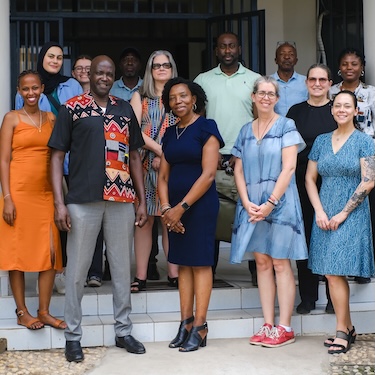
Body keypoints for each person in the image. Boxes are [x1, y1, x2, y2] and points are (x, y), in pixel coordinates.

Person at [48, 55, 147, 362]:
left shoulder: (124, 108)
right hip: (82, 199)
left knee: (120, 269)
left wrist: (142, 199)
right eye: (99, 72)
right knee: (77, 271)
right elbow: (55, 157)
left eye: (109, 73)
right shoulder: (72, 108)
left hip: (121, 200)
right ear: (88, 75)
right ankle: (73, 336)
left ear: (113, 76)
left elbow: (134, 156)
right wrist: (59, 202)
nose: (104, 77)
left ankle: (123, 331)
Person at [230, 76, 307, 348]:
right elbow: (237, 169)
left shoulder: (287, 126)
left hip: (281, 204)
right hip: (252, 205)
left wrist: (270, 203)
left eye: (270, 93)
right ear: (253, 97)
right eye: (261, 93)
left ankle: (284, 327)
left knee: (280, 263)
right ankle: (268, 323)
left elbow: (289, 168)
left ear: (277, 98)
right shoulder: (245, 130)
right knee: (261, 263)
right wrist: (246, 201)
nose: (265, 97)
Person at [305, 90, 375, 354]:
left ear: (356, 110)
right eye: (338, 106)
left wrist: (344, 213)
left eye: (348, 106)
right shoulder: (322, 141)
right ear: (332, 109)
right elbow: (310, 179)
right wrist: (320, 212)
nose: (342, 109)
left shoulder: (364, 141)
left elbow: (368, 180)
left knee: (335, 272)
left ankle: (342, 331)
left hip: (351, 213)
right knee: (331, 273)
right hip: (324, 212)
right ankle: (348, 327)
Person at [158, 77, 224, 352]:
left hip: (199, 207)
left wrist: (181, 208)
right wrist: (165, 209)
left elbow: (209, 174)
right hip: (173, 210)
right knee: (182, 263)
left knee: (200, 263)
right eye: (173, 98)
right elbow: (162, 176)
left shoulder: (206, 128)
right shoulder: (170, 134)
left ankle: (200, 324)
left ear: (194, 98)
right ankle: (185, 322)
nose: (178, 101)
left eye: (183, 96)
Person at [0, 70, 66, 331]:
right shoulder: (11, 119)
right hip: (17, 193)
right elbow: (4, 160)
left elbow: (58, 157)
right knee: (17, 254)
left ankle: (44, 310)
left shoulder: (51, 117)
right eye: (25, 89)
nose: (30, 93)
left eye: (35, 88)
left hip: (45, 193)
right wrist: (7, 198)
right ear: (19, 90)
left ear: (41, 90)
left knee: (49, 253)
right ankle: (22, 311)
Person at [16, 42, 83, 295]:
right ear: (42, 58)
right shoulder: (29, 86)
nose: (54, 60)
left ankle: (64, 271)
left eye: (58, 57)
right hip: (42, 164)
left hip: (71, 161)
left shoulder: (72, 85)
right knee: (47, 220)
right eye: (50, 56)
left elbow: (80, 119)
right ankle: (47, 268)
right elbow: (22, 122)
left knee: (69, 218)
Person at [194, 31, 260, 285]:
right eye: (223, 46)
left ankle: (256, 270)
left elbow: (259, 120)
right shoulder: (203, 80)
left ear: (239, 49)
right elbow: (198, 119)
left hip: (246, 158)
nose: (228, 50)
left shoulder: (254, 80)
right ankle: (208, 271)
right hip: (214, 157)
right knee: (212, 213)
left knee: (251, 212)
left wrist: (243, 152)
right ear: (216, 51)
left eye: (232, 46)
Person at [287, 64, 337, 315]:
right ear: (306, 82)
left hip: (332, 182)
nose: (317, 84)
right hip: (300, 181)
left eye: (322, 80)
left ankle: (332, 297)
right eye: (313, 79)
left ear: (329, 83)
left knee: (329, 238)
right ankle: (307, 297)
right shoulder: (295, 112)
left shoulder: (337, 110)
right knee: (305, 237)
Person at [129, 50, 179, 292]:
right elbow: (135, 133)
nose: (161, 69)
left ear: (172, 68)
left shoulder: (180, 96)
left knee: (171, 220)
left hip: (174, 169)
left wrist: (169, 158)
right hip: (147, 167)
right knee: (145, 221)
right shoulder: (139, 97)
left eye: (166, 65)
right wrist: (162, 152)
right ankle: (140, 276)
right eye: (156, 65)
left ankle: (174, 273)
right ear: (149, 70)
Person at [110, 47, 159, 281]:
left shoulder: (175, 94)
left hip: (166, 164)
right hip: (133, 158)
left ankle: (156, 266)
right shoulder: (120, 90)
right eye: (125, 60)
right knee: (143, 216)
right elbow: (134, 130)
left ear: (140, 65)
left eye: (134, 59)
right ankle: (126, 270)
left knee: (166, 215)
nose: (130, 63)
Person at [330, 48, 375, 284]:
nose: (349, 68)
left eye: (354, 64)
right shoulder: (331, 91)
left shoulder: (371, 93)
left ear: (362, 67)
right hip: (337, 156)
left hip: (366, 156)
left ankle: (360, 266)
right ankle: (336, 262)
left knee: (362, 212)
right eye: (345, 64)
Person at [72, 54, 103, 287]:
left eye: (88, 67)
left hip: (104, 174)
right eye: (79, 68)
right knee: (77, 225)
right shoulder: (70, 102)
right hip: (75, 171)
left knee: (100, 221)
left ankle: (95, 272)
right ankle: (74, 273)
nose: (84, 71)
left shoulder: (112, 102)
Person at [271, 41, 308, 116]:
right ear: (276, 60)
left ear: (296, 61)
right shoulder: (267, 82)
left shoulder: (306, 82)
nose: (287, 57)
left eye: (291, 54)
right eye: (282, 54)